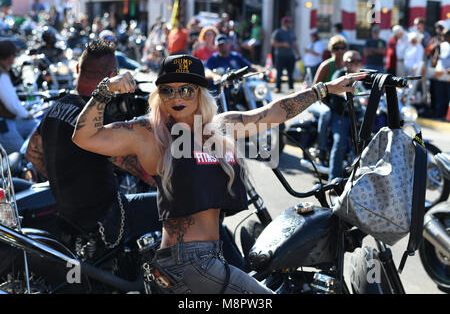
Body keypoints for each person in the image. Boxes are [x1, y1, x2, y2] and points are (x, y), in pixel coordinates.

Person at [70, 53, 366, 294]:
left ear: (199, 93)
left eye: (186, 88)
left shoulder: (220, 128)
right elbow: (85, 138)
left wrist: (325, 89)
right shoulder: (151, 134)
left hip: (210, 257)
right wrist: (105, 89)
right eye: (168, 89)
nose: (177, 95)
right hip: (186, 262)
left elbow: (276, 112)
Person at [25, 39, 161, 247]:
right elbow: (142, 170)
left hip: (69, 216)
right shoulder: (97, 121)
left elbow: (32, 153)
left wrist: (66, 180)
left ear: (78, 68)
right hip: (107, 217)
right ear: (111, 77)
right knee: (177, 207)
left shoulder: (56, 108)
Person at [310, 35, 348, 164]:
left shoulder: (347, 66)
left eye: (343, 48)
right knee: (326, 113)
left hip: (337, 103)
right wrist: (323, 100)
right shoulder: (327, 65)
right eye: (337, 48)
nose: (340, 51)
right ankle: (322, 149)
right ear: (332, 50)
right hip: (319, 101)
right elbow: (314, 88)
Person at [327, 50, 363, 182]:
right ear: (346, 63)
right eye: (354, 61)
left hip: (357, 114)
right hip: (341, 114)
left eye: (359, 60)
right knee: (340, 142)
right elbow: (336, 90)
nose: (357, 63)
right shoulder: (340, 74)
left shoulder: (359, 76)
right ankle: (333, 180)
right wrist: (347, 94)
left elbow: (361, 91)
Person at [0, 40, 39, 154]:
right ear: (10, 57)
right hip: (4, 125)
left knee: (36, 126)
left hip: (7, 121)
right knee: (25, 156)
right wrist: (27, 115)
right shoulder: (2, 75)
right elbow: (13, 105)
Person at [271, 16, 300, 94]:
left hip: (290, 56)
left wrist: (298, 53)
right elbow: (273, 43)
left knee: (290, 73)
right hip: (280, 56)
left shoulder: (291, 32)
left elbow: (295, 43)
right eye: (289, 23)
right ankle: (277, 87)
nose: (291, 24)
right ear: (285, 23)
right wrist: (283, 44)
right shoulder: (278, 32)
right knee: (279, 72)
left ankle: (291, 88)